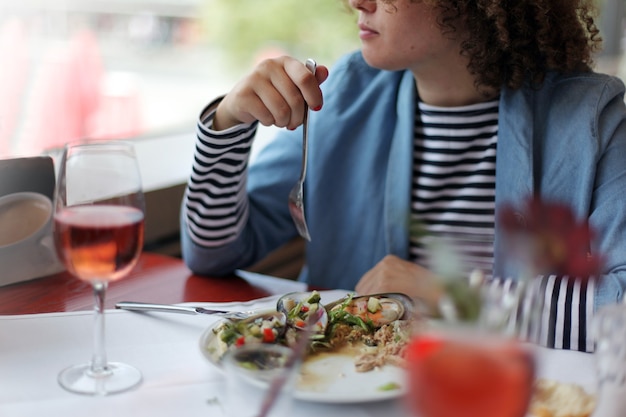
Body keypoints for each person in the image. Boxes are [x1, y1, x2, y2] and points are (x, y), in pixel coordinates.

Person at [180, 0, 626, 353]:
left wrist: (448, 296)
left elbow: (620, 308)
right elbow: (214, 252)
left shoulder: (592, 121)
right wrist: (227, 124)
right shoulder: (342, 96)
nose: (356, 1)